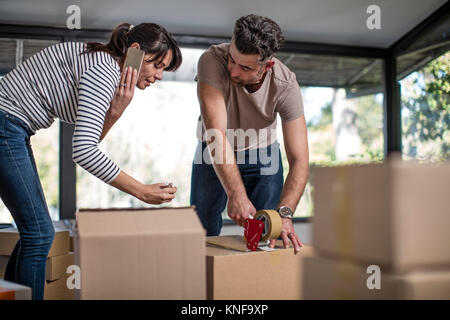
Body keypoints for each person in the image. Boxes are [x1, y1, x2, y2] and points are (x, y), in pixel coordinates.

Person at [0, 22, 182, 299]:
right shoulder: (104, 71)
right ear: (135, 51)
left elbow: (88, 142)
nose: (159, 76)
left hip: (13, 128)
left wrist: (115, 111)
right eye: (157, 65)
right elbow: (83, 151)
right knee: (39, 234)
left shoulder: (103, 65)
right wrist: (142, 191)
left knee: (34, 233)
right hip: (6, 124)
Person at [191, 14, 309, 253]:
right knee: (200, 230)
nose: (233, 72)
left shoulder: (286, 86)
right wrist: (235, 193)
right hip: (212, 148)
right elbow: (216, 133)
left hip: (262, 152)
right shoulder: (211, 61)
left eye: (245, 67)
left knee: (268, 232)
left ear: (268, 65)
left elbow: (300, 161)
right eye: (232, 60)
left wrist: (286, 214)